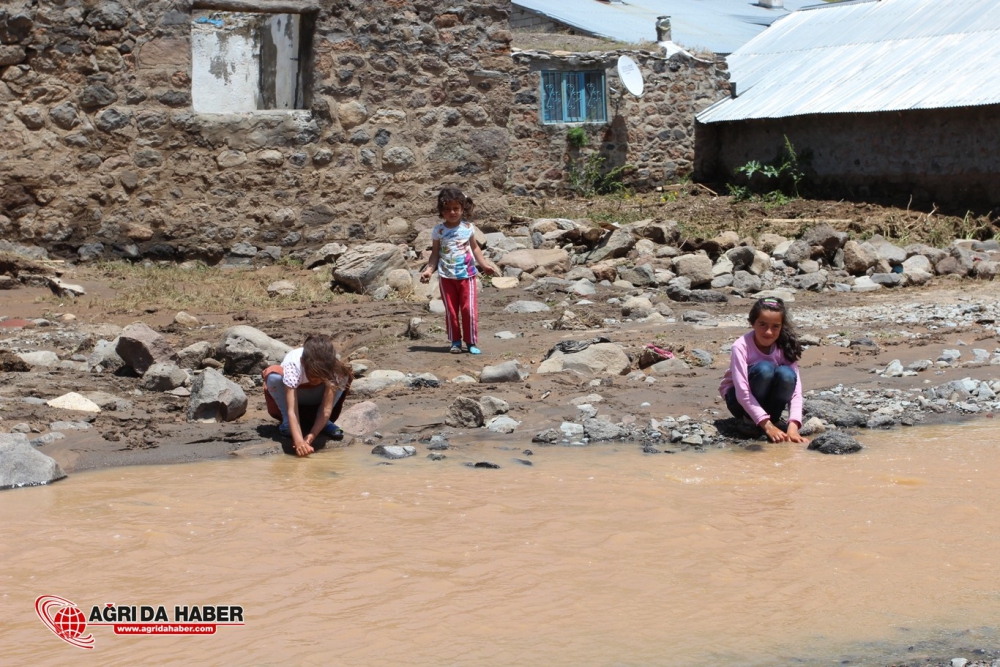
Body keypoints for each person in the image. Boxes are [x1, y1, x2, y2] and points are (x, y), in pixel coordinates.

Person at [419, 187, 499, 354]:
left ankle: (471, 342)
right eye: (447, 209)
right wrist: (429, 270)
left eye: (456, 208)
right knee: (451, 311)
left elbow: (475, 248)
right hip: (446, 277)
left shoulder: (468, 228)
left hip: (467, 276)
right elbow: (435, 254)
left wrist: (484, 265)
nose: (452, 212)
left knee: (468, 309)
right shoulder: (439, 231)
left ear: (463, 209)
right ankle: (455, 341)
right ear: (441, 211)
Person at [720, 297, 809, 443]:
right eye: (762, 325)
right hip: (738, 401)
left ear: (782, 327)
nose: (768, 332)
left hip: (769, 401)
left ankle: (773, 417)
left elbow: (796, 391)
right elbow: (742, 392)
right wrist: (768, 427)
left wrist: (793, 427)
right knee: (765, 369)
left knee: (787, 374)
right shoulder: (740, 346)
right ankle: (750, 420)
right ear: (752, 323)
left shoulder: (785, 346)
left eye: (775, 326)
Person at [262, 334, 353, 457]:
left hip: (316, 399)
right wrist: (298, 441)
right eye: (314, 375)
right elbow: (292, 410)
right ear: (303, 363)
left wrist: (312, 435)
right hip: (293, 399)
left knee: (344, 373)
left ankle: (323, 423)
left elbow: (326, 409)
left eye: (322, 377)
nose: (317, 380)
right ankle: (287, 423)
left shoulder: (332, 367)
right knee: (273, 376)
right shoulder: (294, 365)